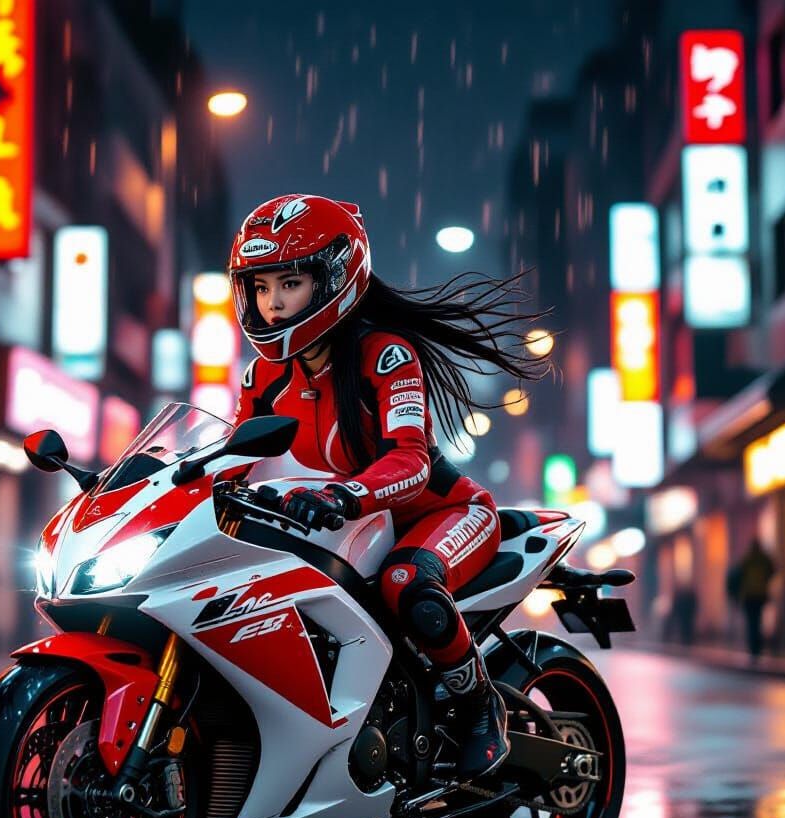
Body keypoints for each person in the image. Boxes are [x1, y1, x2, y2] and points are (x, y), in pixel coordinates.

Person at [228, 194, 550, 779]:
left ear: (335, 280)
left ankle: (482, 705)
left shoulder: (386, 355)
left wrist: (344, 495)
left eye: (290, 284)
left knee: (407, 583)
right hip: (351, 526)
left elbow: (410, 461)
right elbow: (236, 458)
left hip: (445, 514)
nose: (272, 305)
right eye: (260, 287)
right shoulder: (263, 376)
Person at [732, 538, 776, 660]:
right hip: (760, 594)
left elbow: (738, 575)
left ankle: (753, 648)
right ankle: (757, 647)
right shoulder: (764, 559)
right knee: (758, 621)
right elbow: (772, 571)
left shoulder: (747, 559)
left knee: (751, 622)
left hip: (749, 596)